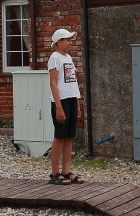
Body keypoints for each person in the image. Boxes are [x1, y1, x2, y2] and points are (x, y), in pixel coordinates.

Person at [47, 27, 84, 184]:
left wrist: (77, 103)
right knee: (59, 136)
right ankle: (55, 173)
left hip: (71, 100)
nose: (70, 42)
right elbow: (53, 83)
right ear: (58, 42)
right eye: (67, 40)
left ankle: (66, 170)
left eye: (70, 39)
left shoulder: (68, 58)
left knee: (69, 136)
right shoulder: (55, 58)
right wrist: (59, 106)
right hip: (60, 101)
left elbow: (73, 82)